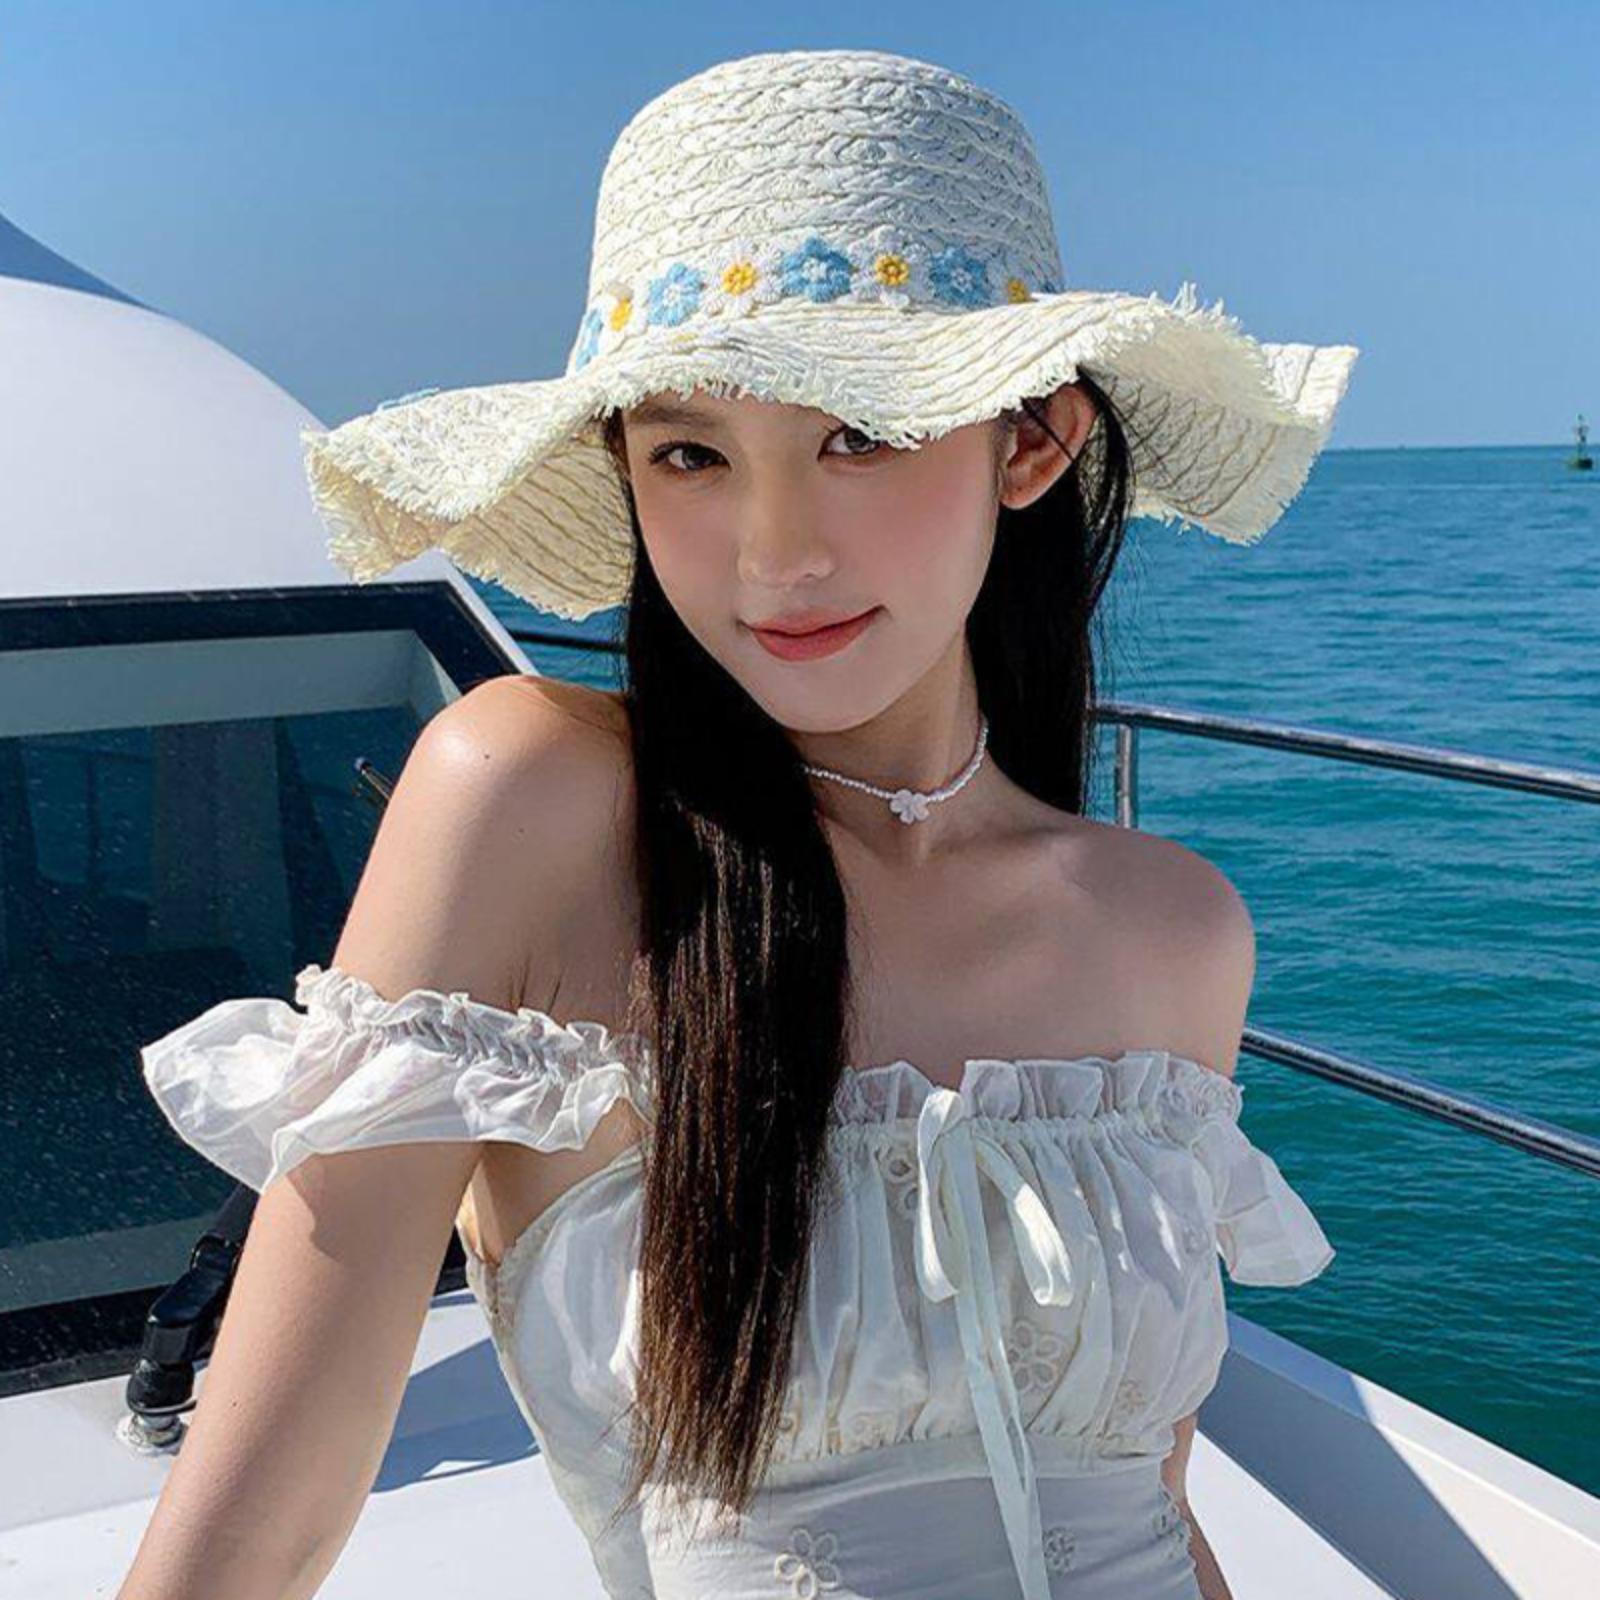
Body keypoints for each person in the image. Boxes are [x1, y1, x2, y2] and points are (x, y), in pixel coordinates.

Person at [123, 46, 1354, 1600]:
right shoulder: (531, 797)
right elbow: (263, 1518)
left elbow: (1152, 1498)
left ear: (1031, 442)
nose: (778, 556)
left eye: (861, 434)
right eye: (691, 454)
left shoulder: (1172, 926)